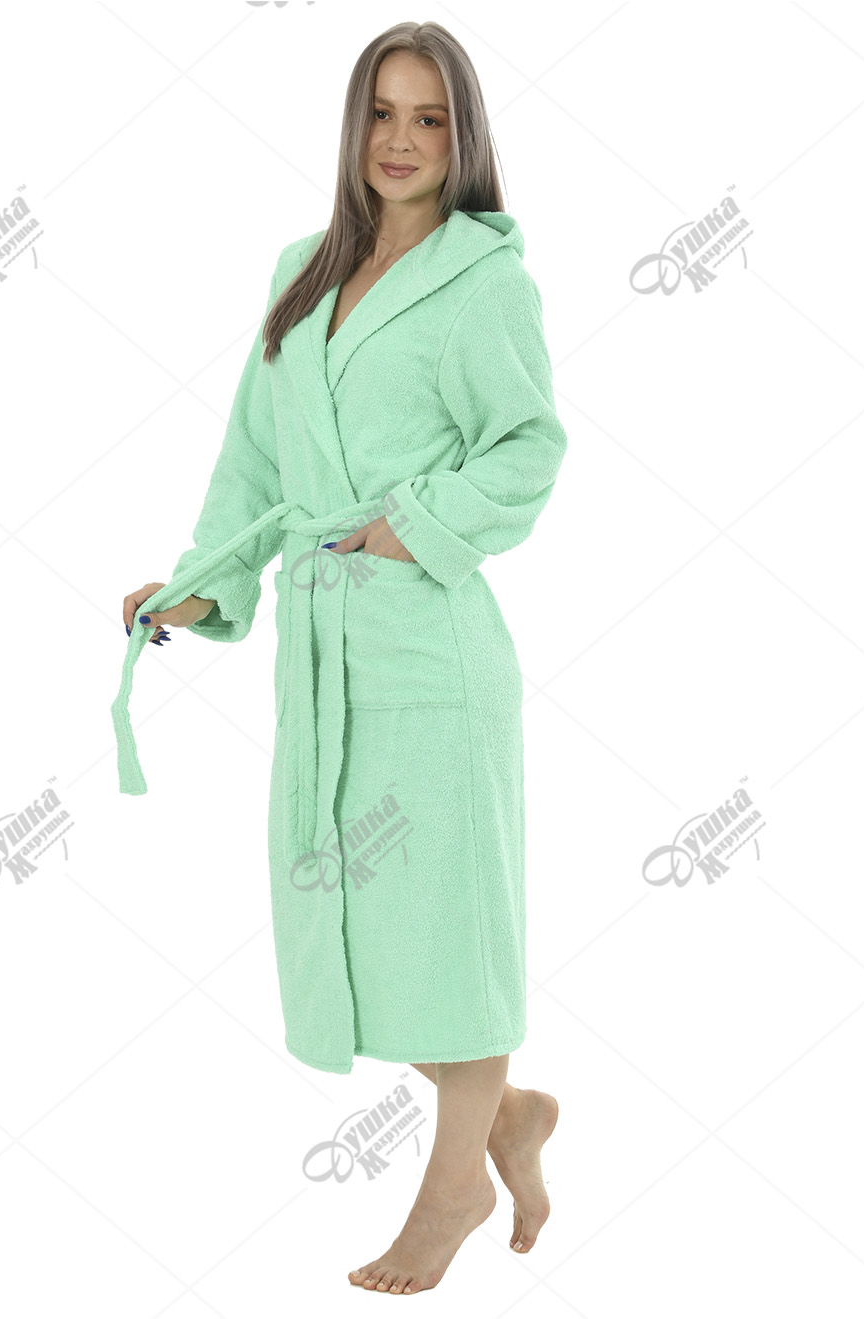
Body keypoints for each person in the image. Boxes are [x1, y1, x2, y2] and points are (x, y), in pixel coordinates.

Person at [117, 20, 566, 1296]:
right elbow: (253, 464)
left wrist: (408, 525)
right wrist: (202, 588)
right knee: (352, 931)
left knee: (447, 938)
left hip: (431, 653)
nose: (401, 141)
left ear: (463, 137)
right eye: (382, 112)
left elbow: (528, 447)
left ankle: (452, 1190)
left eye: (430, 118)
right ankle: (509, 1113)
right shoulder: (302, 270)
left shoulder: (485, 283)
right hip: (322, 659)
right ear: (353, 124)